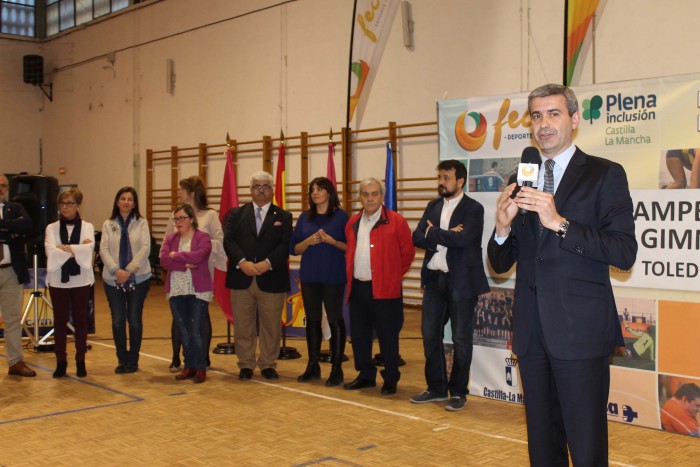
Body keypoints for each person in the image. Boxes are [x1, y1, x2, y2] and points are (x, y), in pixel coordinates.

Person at [487, 84, 637, 466]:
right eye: (536, 116)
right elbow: (501, 263)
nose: (544, 125)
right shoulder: (524, 177)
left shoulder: (604, 174)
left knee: (586, 448)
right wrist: (502, 228)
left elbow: (623, 252)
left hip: (580, 333)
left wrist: (560, 223)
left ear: (574, 119)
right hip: (532, 333)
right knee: (542, 446)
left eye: (553, 114)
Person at [410, 160, 490, 411]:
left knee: (460, 339)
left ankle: (458, 392)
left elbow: (464, 239)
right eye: (440, 177)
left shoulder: (473, 209)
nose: (441, 182)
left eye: (446, 178)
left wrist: (434, 233)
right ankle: (436, 388)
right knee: (429, 335)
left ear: (460, 181)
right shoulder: (432, 206)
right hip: (434, 280)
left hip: (461, 281)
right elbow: (416, 237)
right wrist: (446, 234)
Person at [343, 177, 415, 396]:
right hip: (358, 288)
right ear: (360, 197)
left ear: (382, 197)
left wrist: (391, 276)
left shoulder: (396, 221)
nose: (370, 198)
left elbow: (407, 254)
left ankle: (391, 377)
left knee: (387, 336)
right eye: (365, 194)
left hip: (386, 290)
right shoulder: (352, 222)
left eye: (374, 194)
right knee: (360, 335)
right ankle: (365, 375)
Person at [223, 171, 292, 381]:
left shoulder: (283, 216)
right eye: (256, 186)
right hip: (241, 277)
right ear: (250, 190)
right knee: (243, 325)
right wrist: (242, 262)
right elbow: (229, 241)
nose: (261, 190)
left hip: (271, 278)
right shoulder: (235, 214)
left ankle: (268, 364)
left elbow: (285, 245)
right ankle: (245, 364)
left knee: (271, 326)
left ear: (272, 190)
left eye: (265, 186)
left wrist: (267, 263)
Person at [290, 177, 348, 387]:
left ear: (329, 193)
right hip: (310, 276)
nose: (315, 192)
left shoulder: (341, 216)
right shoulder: (305, 217)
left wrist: (332, 241)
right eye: (312, 189)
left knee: (334, 319)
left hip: (333, 276)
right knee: (313, 320)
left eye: (320, 189)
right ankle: (313, 365)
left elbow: (350, 247)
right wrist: (308, 241)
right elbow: (294, 249)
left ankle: (336, 368)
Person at [163, 176, 225, 372]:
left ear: (191, 192)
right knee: (179, 315)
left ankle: (202, 358)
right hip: (179, 275)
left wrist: (197, 247)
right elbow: (167, 243)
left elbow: (220, 241)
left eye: (181, 190)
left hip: (201, 272)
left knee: (200, 316)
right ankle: (176, 357)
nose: (178, 194)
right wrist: (182, 259)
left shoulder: (210, 215)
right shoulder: (175, 214)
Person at [99, 187, 151, 374]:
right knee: (118, 320)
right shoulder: (108, 224)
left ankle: (133, 360)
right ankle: (122, 359)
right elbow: (103, 250)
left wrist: (128, 270)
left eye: (130, 199)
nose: (126, 202)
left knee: (134, 319)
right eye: (123, 198)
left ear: (135, 203)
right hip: (113, 280)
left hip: (139, 278)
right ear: (117, 201)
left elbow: (145, 248)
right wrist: (116, 270)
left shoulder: (141, 223)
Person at [45, 188, 95, 378]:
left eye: (70, 203)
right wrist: (76, 249)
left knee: (81, 320)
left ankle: (80, 359)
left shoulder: (87, 227)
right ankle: (61, 361)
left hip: (81, 278)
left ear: (78, 206)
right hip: (58, 279)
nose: (65, 207)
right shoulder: (51, 227)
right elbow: (51, 251)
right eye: (62, 203)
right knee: (60, 321)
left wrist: (64, 248)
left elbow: (89, 248)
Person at [160, 204, 212, 384]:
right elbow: (164, 260)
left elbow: (200, 256)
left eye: (182, 218)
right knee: (184, 330)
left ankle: (200, 367)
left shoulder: (203, 237)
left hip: (199, 290)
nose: (178, 222)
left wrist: (176, 255)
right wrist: (183, 263)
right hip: (176, 290)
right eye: (176, 218)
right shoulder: (170, 239)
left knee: (196, 329)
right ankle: (188, 365)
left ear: (191, 219)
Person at [0, 174, 36, 377]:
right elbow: (16, 229)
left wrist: (3, 227)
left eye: (3, 186)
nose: (1, 189)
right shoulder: (13, 215)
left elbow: (26, 226)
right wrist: (9, 230)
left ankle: (15, 362)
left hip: (11, 272)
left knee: (13, 319)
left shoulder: (15, 208)